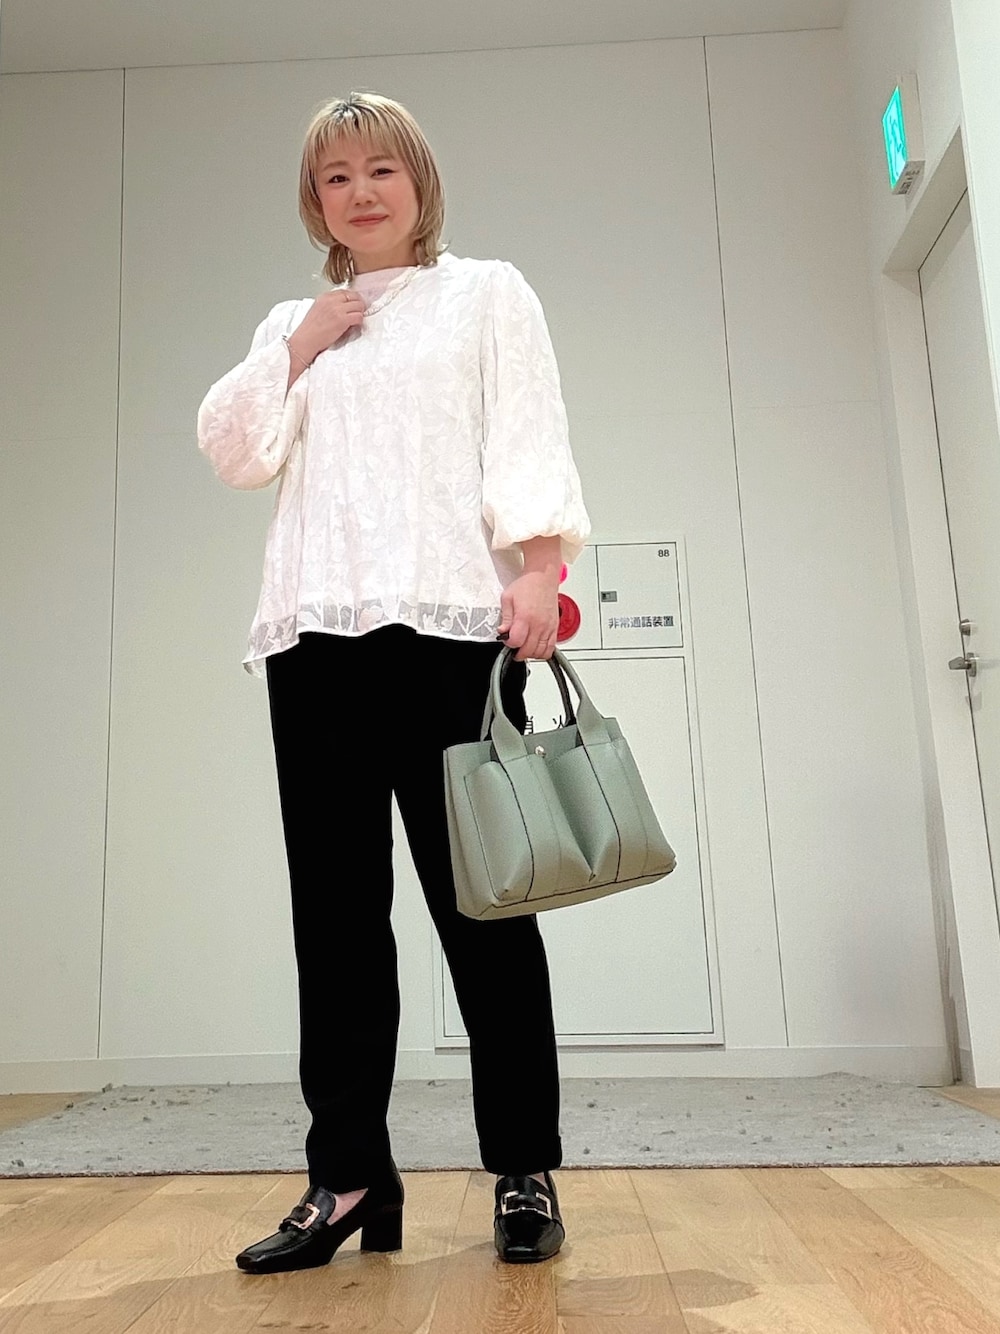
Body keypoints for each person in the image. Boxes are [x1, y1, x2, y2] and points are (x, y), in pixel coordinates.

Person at [196, 90, 591, 1273]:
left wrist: (538, 568)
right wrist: (299, 344)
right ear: (314, 202)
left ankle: (521, 1166)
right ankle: (348, 1176)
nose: (361, 191)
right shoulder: (297, 320)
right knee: (334, 924)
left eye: (380, 168)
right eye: (336, 176)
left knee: (486, 908)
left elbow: (527, 431)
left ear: (418, 181)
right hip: (314, 639)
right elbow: (234, 449)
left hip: (449, 632)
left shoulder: (486, 292)